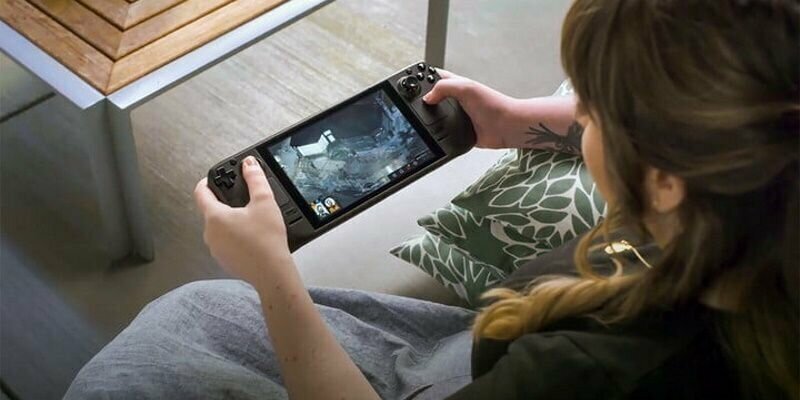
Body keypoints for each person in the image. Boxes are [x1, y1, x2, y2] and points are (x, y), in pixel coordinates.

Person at [66, 0, 798, 398]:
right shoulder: (753, 206)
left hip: (444, 370)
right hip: (482, 341)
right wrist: (520, 122)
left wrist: (272, 276)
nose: (580, 116)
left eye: (596, 109)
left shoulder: (596, 373)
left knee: (138, 365)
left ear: (666, 177)